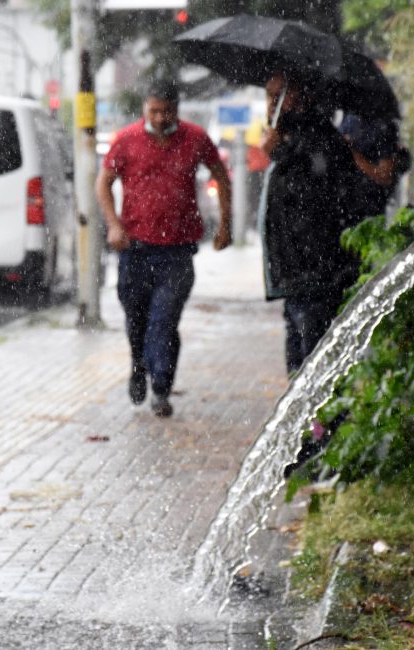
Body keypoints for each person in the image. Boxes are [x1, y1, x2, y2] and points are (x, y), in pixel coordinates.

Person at [96, 79, 233, 418]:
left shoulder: (195, 138)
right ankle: (138, 364)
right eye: (153, 111)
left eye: (166, 112)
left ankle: (161, 387)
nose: (159, 118)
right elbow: (103, 182)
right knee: (136, 319)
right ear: (145, 108)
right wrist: (113, 224)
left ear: (177, 110)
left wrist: (226, 223)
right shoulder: (126, 140)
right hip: (135, 248)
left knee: (164, 320)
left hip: (178, 250)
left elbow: (221, 175)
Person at [259, 72, 378, 375]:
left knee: (314, 365)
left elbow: (312, 202)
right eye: (268, 96)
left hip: (316, 274)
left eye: (279, 96)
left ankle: (323, 423)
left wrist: (280, 153)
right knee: (300, 364)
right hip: (297, 277)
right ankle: (312, 423)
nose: (271, 105)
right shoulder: (292, 138)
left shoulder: (317, 140)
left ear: (302, 97)